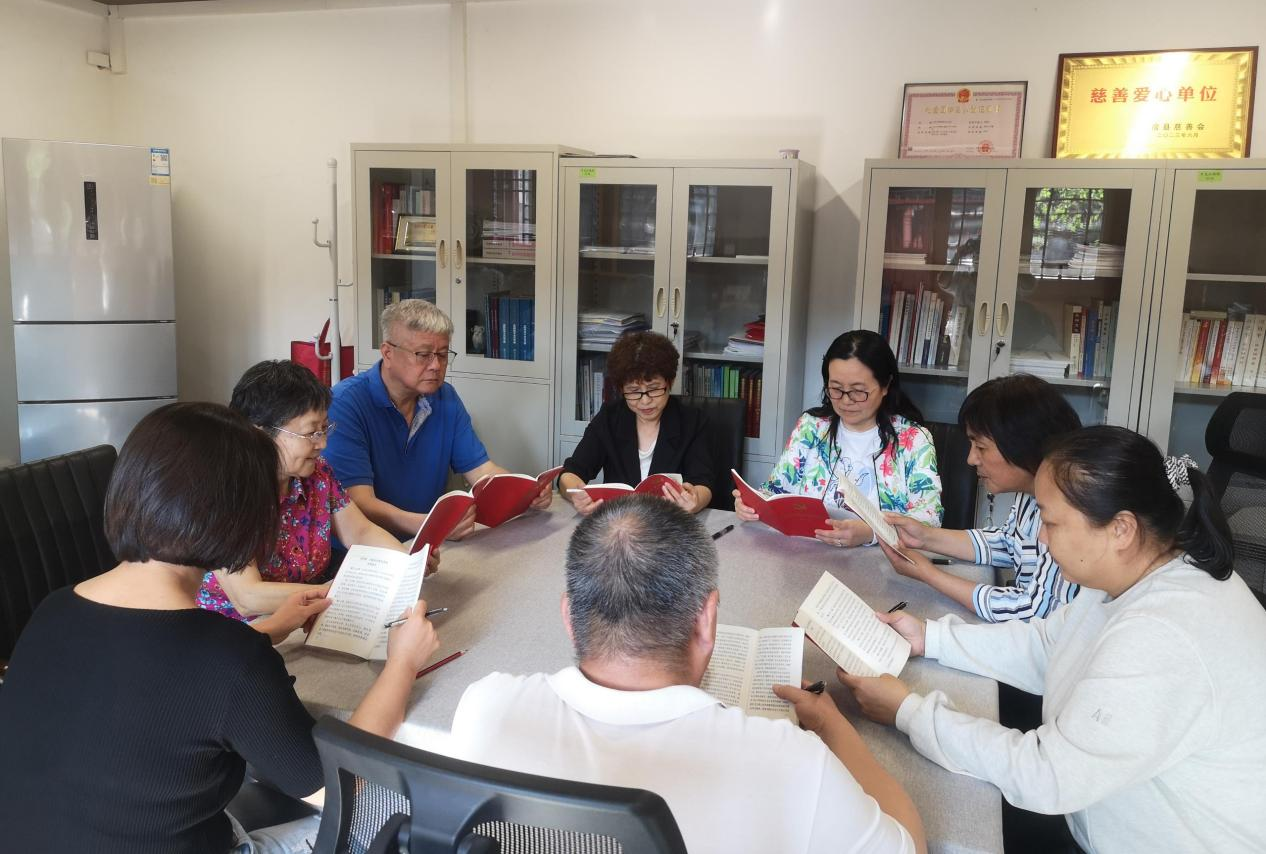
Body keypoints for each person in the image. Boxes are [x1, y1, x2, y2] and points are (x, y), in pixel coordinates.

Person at [0, 402, 442, 853]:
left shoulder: (53, 609)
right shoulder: (230, 658)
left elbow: (155, 673)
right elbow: (340, 783)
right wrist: (402, 663)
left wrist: (268, 628)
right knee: (385, 815)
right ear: (242, 517)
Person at [835, 426, 1266, 854]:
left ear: (1120, 529)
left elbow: (1047, 776)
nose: (1041, 538)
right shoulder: (1136, 570)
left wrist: (907, 712)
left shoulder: (1164, 633)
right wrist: (930, 638)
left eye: (1051, 521)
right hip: (1091, 810)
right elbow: (1047, 646)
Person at [449, 495, 926, 854]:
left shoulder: (486, 706)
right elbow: (908, 846)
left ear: (568, 615)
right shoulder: (793, 762)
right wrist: (833, 724)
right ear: (707, 620)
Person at [197, 360, 434, 627]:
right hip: (237, 633)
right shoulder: (223, 493)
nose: (322, 443)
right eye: (311, 433)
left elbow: (360, 531)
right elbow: (248, 596)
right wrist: (340, 593)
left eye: (324, 429)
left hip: (306, 619)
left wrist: (407, 563)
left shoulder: (317, 475)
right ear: (258, 433)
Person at [323, 299, 551, 541]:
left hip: (425, 542)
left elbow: (482, 471)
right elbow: (358, 501)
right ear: (388, 353)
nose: (436, 365)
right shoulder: (345, 404)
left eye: (443, 355)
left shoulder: (444, 397)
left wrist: (523, 492)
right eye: (423, 355)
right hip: (363, 550)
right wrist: (430, 525)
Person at [882, 374, 1082, 622]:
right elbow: (1008, 542)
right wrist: (925, 537)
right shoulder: (1032, 491)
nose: (971, 459)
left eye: (982, 447)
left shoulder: (1071, 508)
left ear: (1023, 444)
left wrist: (927, 573)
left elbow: (1033, 612)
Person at [734, 329, 942, 547]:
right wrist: (753, 504)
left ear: (885, 386)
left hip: (881, 561)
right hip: (807, 554)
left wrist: (871, 533)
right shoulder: (811, 427)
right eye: (836, 389)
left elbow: (929, 520)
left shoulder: (914, 440)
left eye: (858, 391)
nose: (845, 401)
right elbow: (775, 490)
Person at [560, 330, 714, 515]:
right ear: (621, 389)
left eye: (653, 389)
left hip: (669, 521)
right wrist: (576, 495)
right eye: (633, 391)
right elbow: (571, 473)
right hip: (620, 521)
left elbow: (704, 484)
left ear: (670, 382)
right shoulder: (610, 418)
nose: (645, 401)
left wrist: (694, 501)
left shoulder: (693, 422)